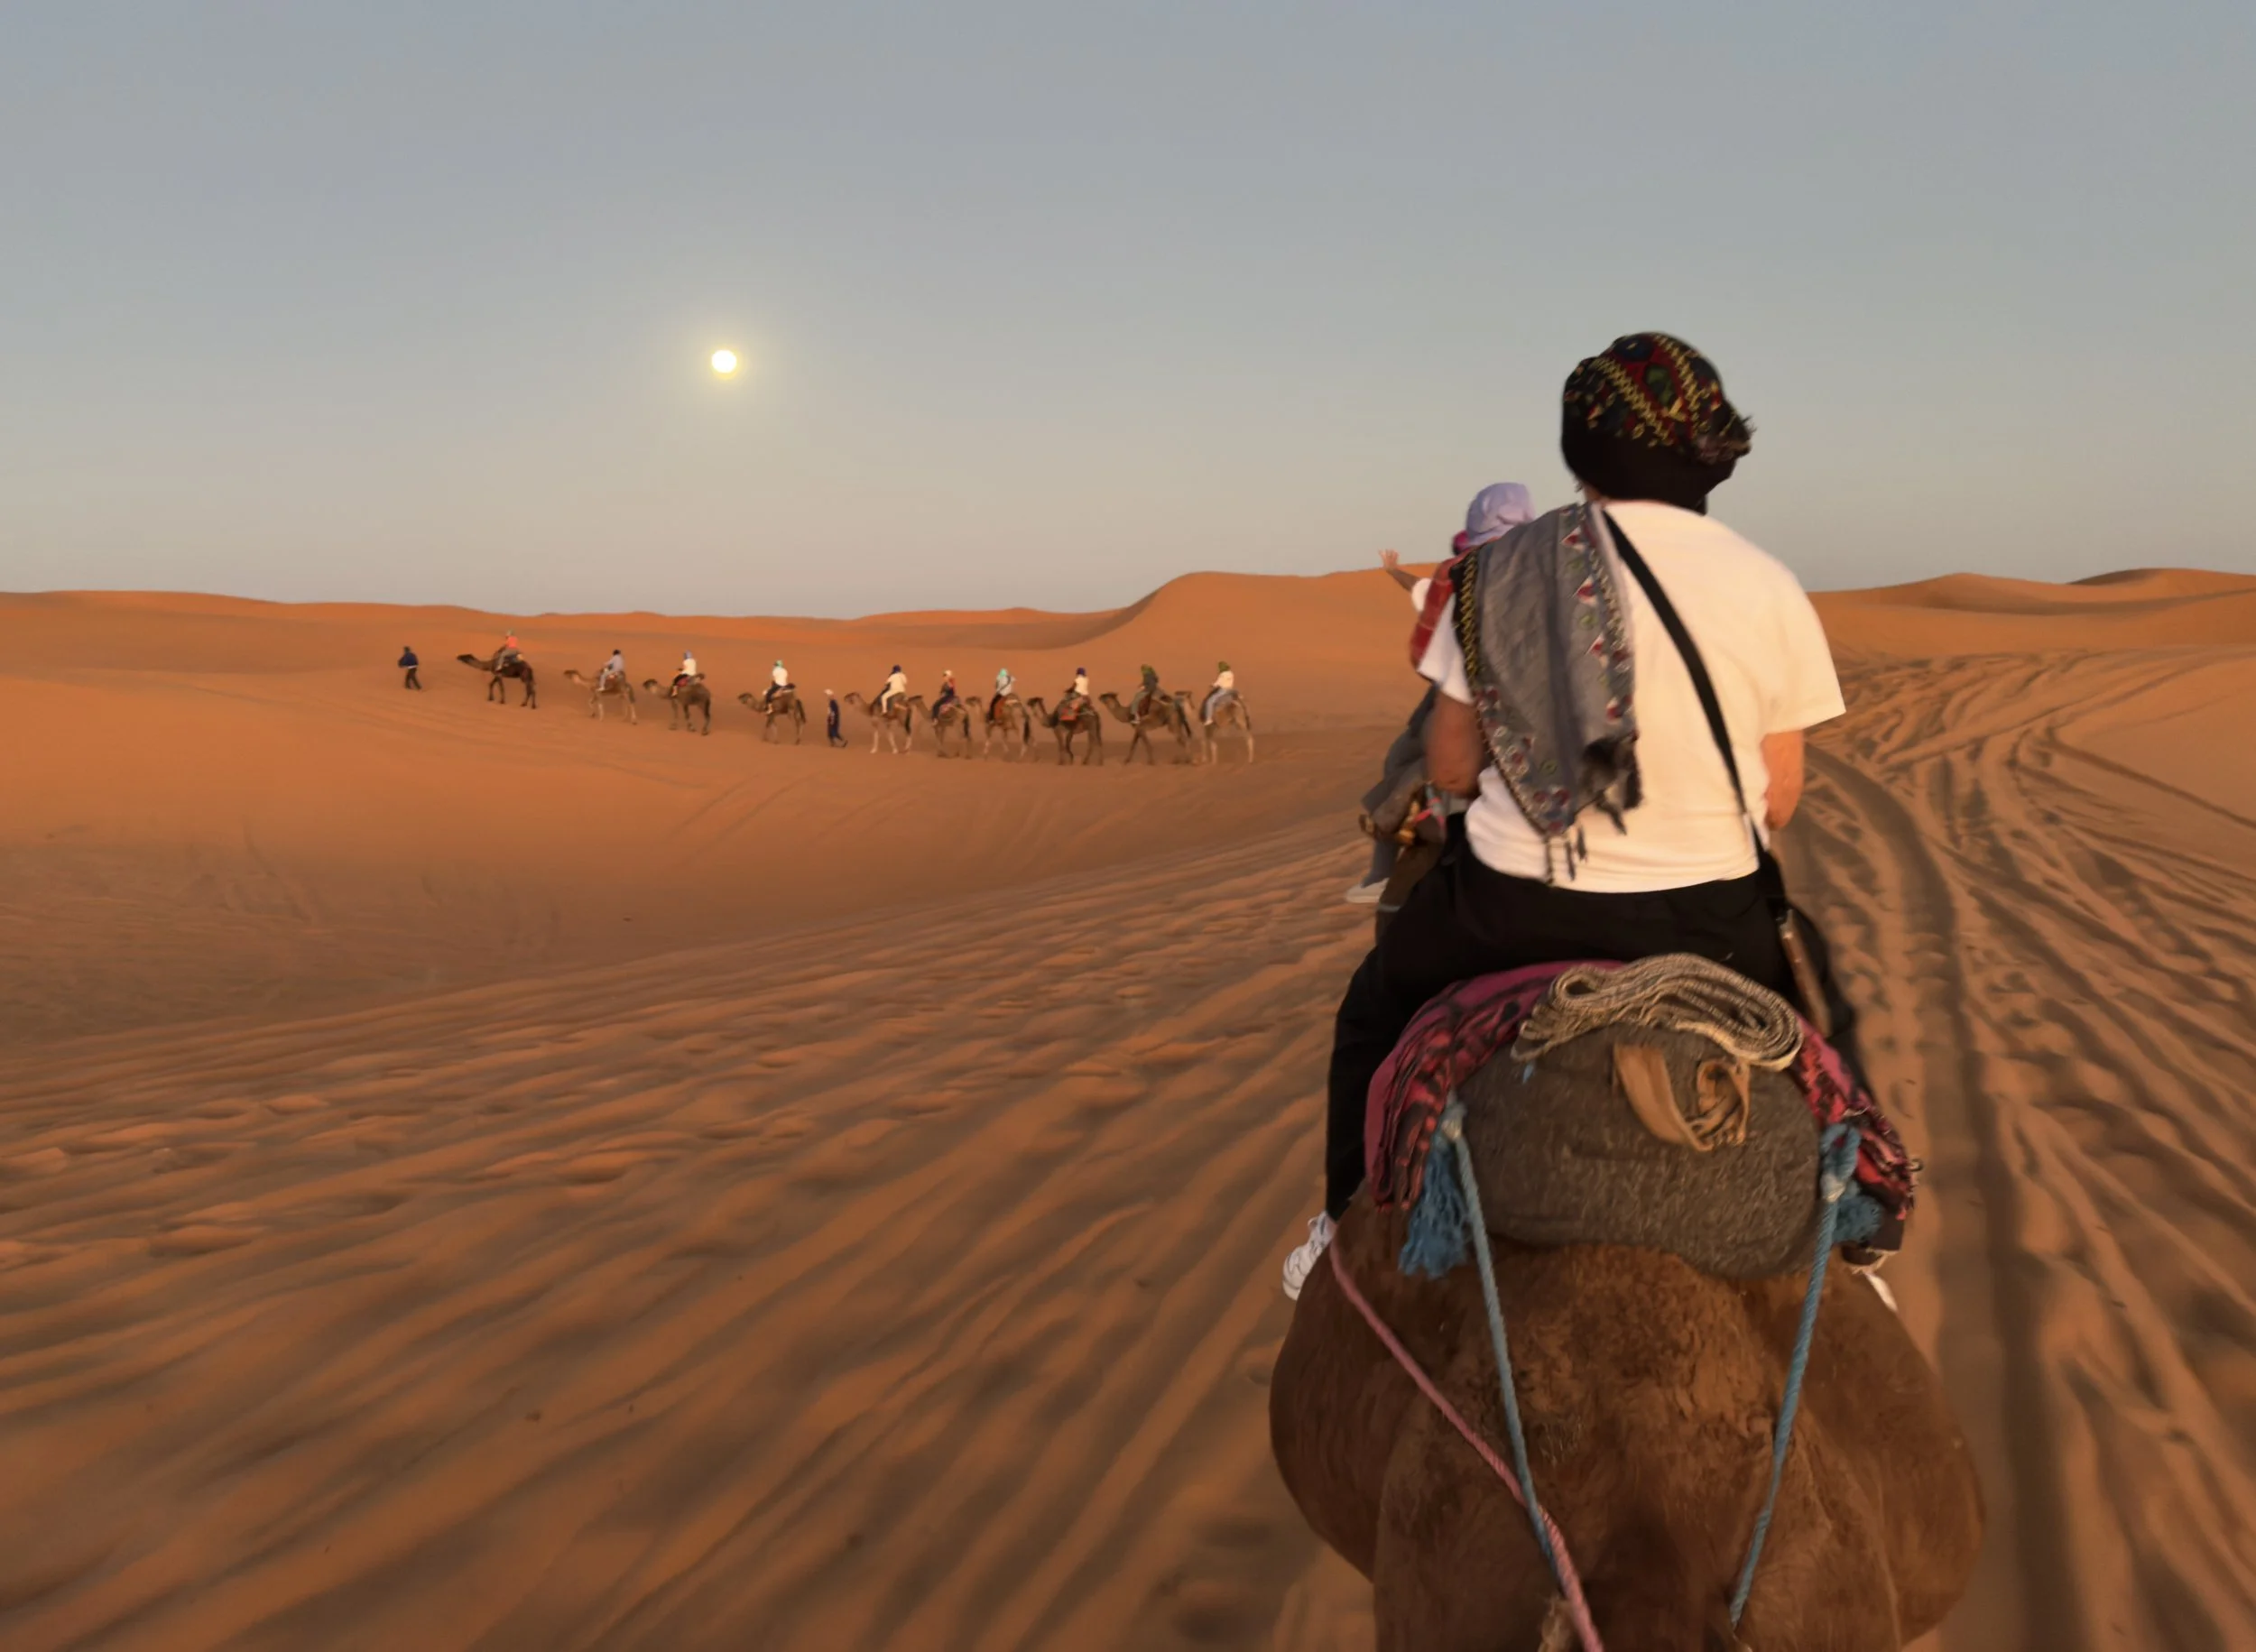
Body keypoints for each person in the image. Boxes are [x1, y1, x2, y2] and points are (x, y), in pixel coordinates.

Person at [1281, 332, 1856, 1299]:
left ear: (1578, 449)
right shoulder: (1769, 584)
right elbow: (1780, 795)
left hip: (1511, 910)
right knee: (1824, 1018)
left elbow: (1452, 763)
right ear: (1710, 452)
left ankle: (1340, 1226)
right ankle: (1855, 1217)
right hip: (1711, 919)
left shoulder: (1500, 576)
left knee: (1373, 1007)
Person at [1345, 485, 1537, 905]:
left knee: (1403, 758)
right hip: (1537, 696)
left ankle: (1382, 864)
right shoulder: (1542, 567)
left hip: (1468, 690)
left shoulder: (1458, 573)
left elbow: (1426, 638)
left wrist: (1396, 573)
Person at [1201, 660, 1235, 724]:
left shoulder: (1222, 674)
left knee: (1209, 702)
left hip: (1223, 690)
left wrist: (1213, 685)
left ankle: (1209, 719)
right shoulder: (1231, 673)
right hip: (1231, 690)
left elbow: (1219, 683)